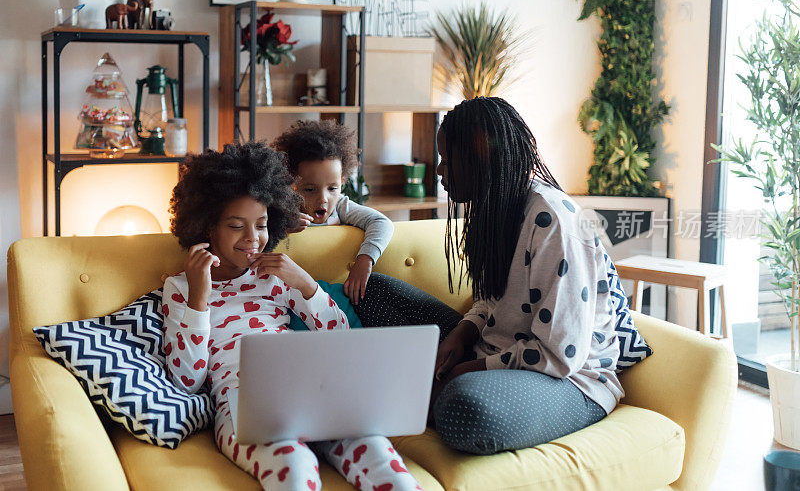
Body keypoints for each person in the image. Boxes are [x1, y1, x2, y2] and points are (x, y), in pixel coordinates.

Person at [354, 97, 625, 456]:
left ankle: (413, 388)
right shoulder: (495, 205)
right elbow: (494, 298)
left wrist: (469, 369)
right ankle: (413, 386)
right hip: (498, 350)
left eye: (447, 161)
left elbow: (560, 356)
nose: (439, 171)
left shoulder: (553, 222)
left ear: (481, 160)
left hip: (569, 381)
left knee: (463, 408)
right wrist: (460, 334)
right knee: (371, 291)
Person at [161, 142, 420, 491]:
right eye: (237, 226)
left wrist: (307, 284)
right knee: (294, 471)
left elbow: (339, 335)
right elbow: (186, 381)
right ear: (209, 227)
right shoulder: (181, 287)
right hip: (243, 404)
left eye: (262, 225)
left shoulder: (275, 274)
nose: (253, 239)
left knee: (384, 465)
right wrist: (199, 297)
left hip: (313, 388)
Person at [273, 120, 394, 305]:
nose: (323, 198)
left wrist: (365, 259)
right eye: (310, 189)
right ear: (292, 186)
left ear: (342, 182)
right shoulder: (282, 209)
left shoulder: (340, 206)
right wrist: (283, 224)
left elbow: (381, 222)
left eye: (332, 188)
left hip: (335, 297)